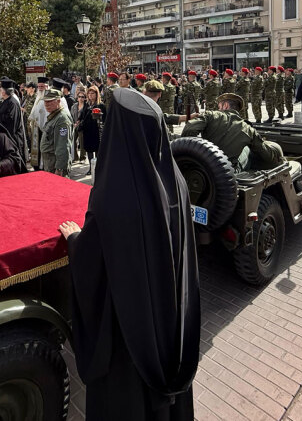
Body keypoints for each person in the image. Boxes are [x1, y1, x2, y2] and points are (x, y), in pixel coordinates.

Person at [57, 88, 200, 420]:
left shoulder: (114, 193)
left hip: (127, 336)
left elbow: (95, 260)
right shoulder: (175, 179)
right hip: (169, 324)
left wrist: (75, 239)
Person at [182, 93, 284, 169]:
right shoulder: (248, 129)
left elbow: (189, 129)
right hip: (227, 173)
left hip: (200, 166)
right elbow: (267, 155)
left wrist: (196, 153)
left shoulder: (210, 115)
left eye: (219, 107)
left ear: (225, 105)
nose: (218, 109)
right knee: (247, 149)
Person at [0, 79, 28, 173]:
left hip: (13, 138)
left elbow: (11, 121)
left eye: (1, 90)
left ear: (4, 92)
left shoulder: (12, 102)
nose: (0, 92)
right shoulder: (7, 101)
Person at [40, 89, 73, 177]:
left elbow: (63, 146)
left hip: (55, 165)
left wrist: (59, 168)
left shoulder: (62, 119)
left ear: (58, 101)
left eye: (49, 101)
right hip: (50, 162)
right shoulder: (54, 115)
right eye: (45, 101)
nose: (46, 104)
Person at [77, 86, 105, 170]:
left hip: (96, 131)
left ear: (97, 94)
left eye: (92, 93)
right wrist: (78, 121)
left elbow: (104, 118)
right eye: (89, 93)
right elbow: (82, 115)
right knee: (89, 150)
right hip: (87, 131)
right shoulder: (87, 104)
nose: (90, 95)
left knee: (97, 150)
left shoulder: (101, 105)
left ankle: (97, 168)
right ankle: (91, 168)